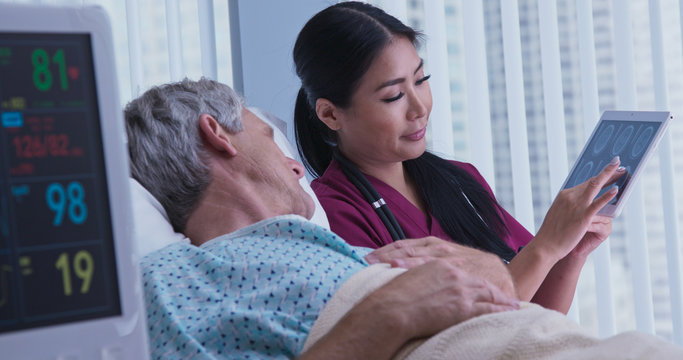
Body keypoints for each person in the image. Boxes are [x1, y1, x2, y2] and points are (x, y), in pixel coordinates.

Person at [121, 78, 670, 360]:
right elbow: (418, 307)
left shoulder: (325, 245)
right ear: (218, 134)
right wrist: (388, 314)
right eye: (269, 137)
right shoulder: (173, 279)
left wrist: (485, 268)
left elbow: (495, 292)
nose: (294, 162)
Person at [292, 1, 622, 313]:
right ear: (330, 114)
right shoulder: (332, 215)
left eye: (421, 80)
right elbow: (460, 333)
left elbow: (537, 316)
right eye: (393, 96)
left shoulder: (459, 179)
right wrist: (546, 247)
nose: (420, 108)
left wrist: (570, 254)